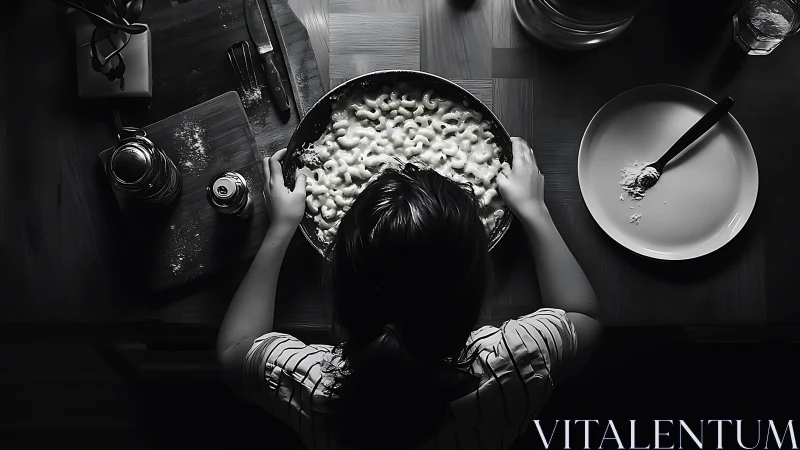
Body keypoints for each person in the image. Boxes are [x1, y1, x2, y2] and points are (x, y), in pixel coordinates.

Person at [217, 137, 603, 450]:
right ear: (479, 293)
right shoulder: (518, 364)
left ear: (334, 284)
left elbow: (234, 350)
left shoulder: (313, 388)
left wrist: (280, 229)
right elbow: (584, 317)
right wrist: (535, 211)